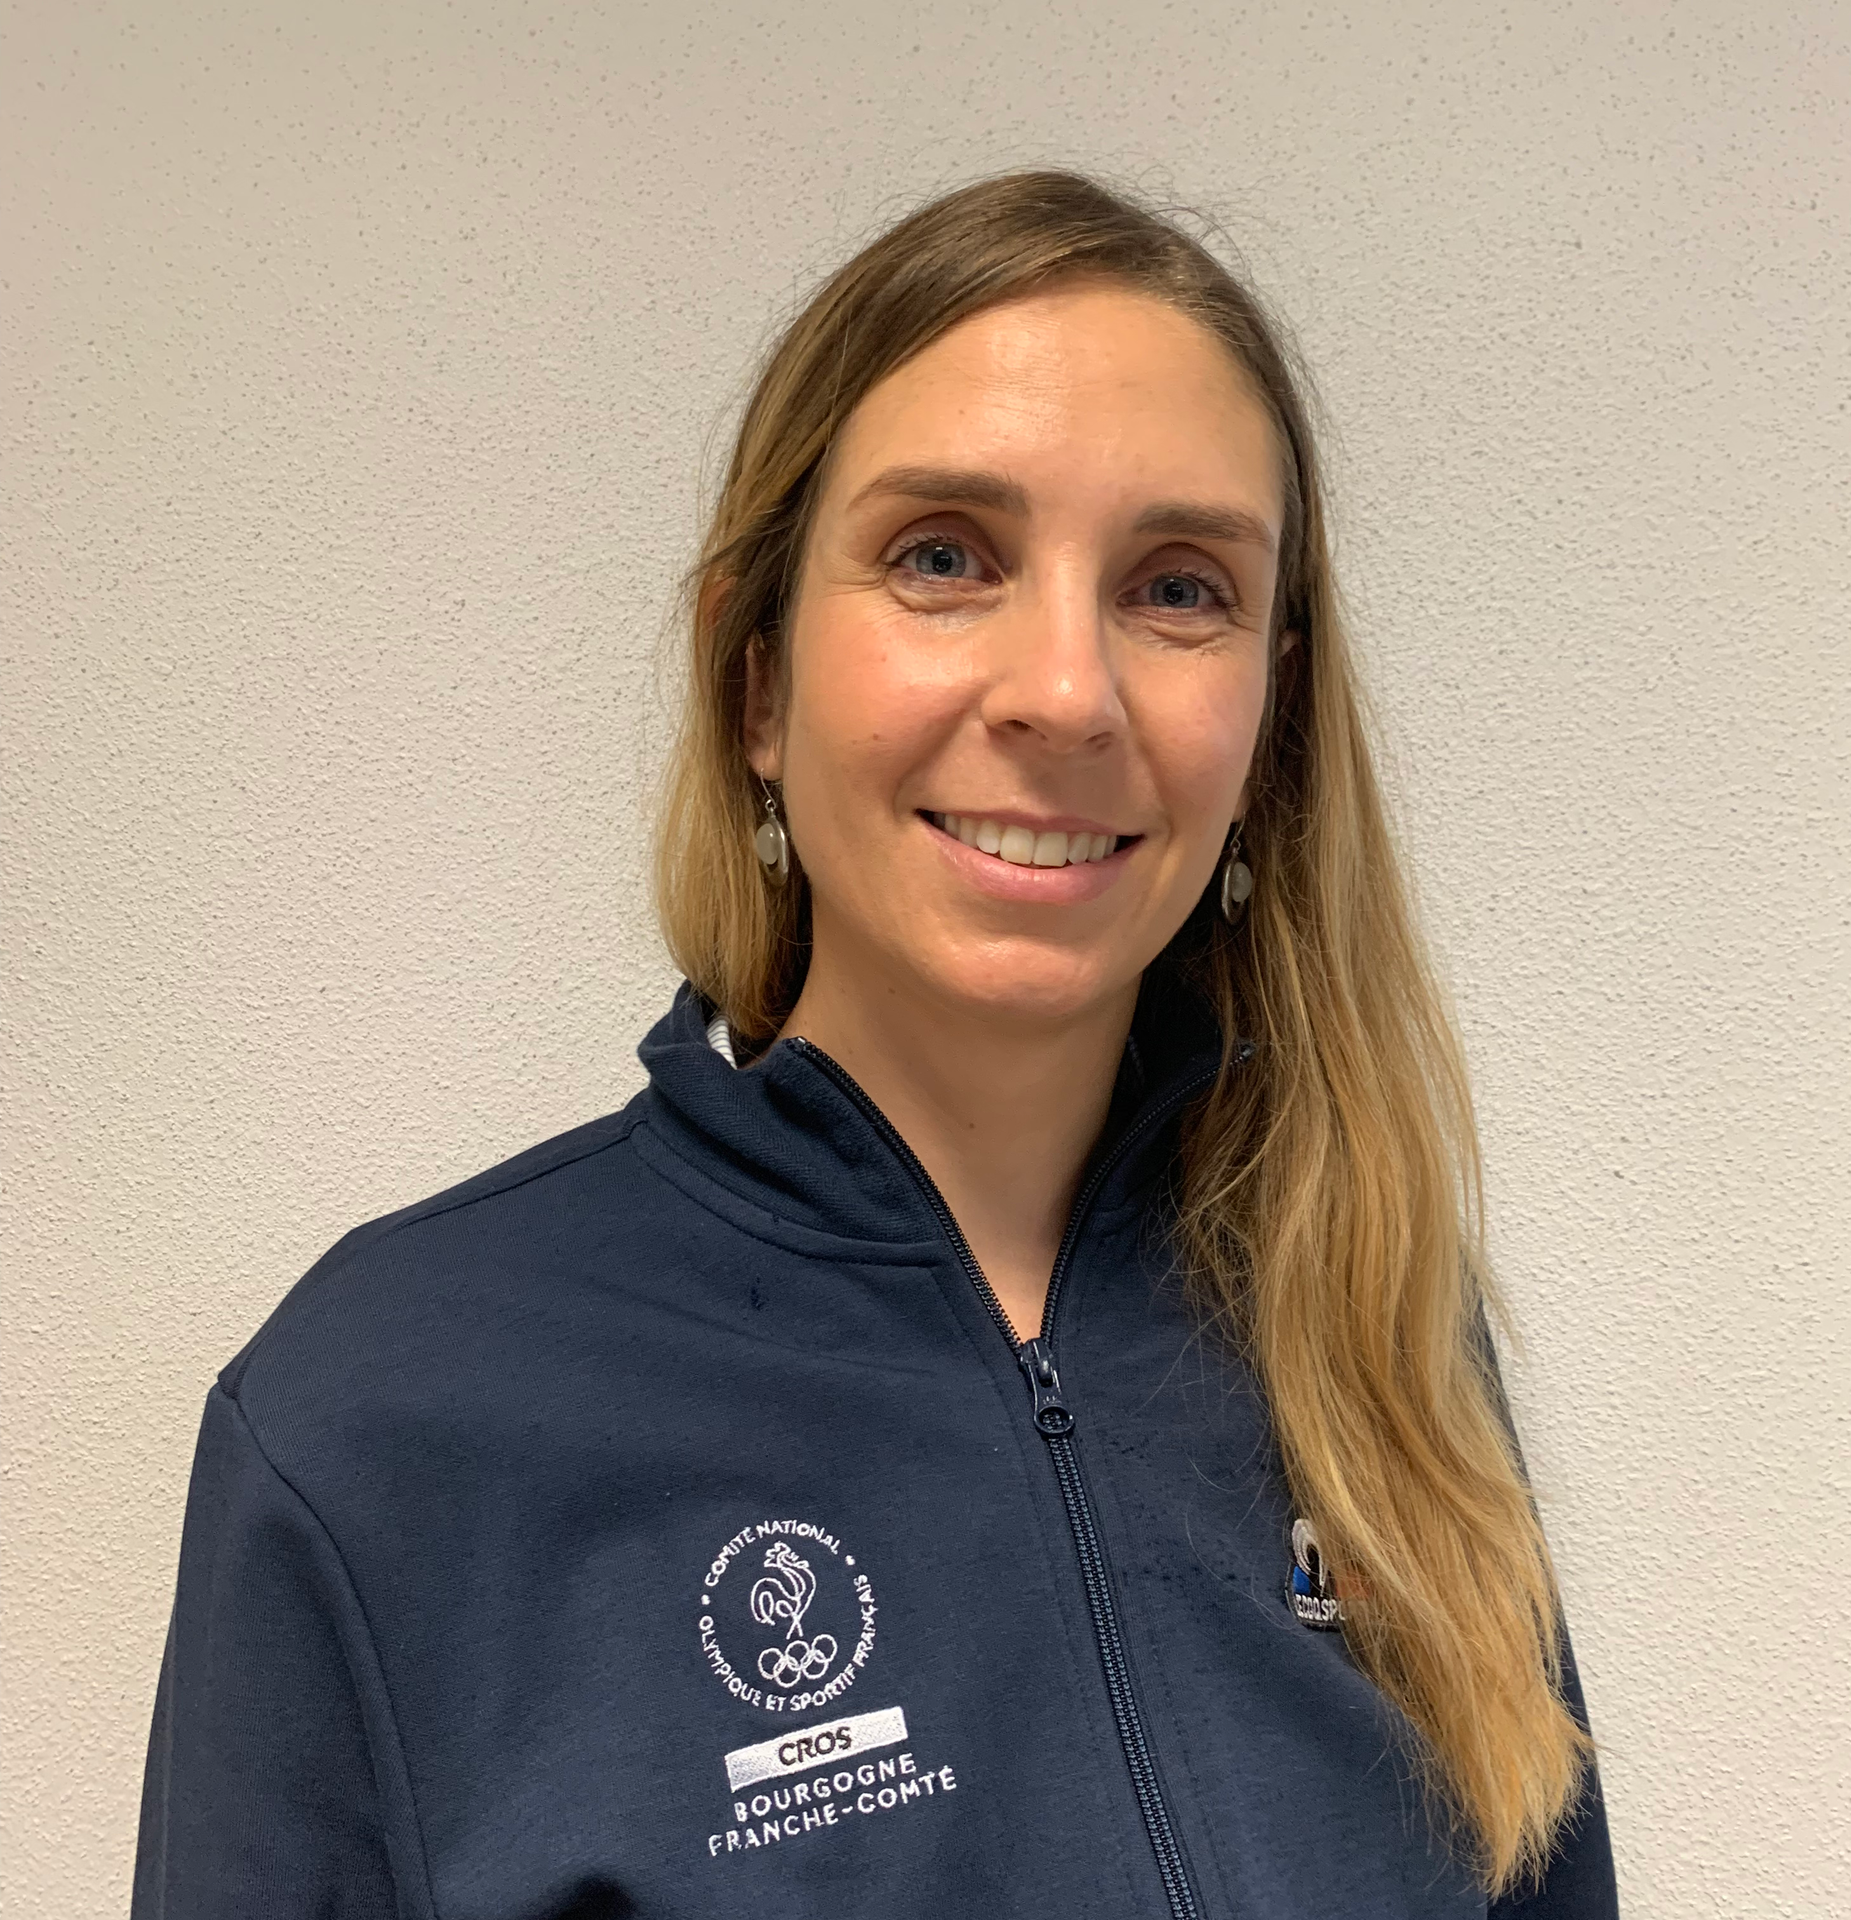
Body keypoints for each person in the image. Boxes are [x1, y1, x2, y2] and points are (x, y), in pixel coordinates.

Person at [133, 170, 1616, 1918]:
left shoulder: (1369, 1323)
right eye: (943, 558)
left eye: (1178, 587)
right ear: (755, 682)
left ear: (1271, 725)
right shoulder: (383, 1416)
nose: (1066, 692)